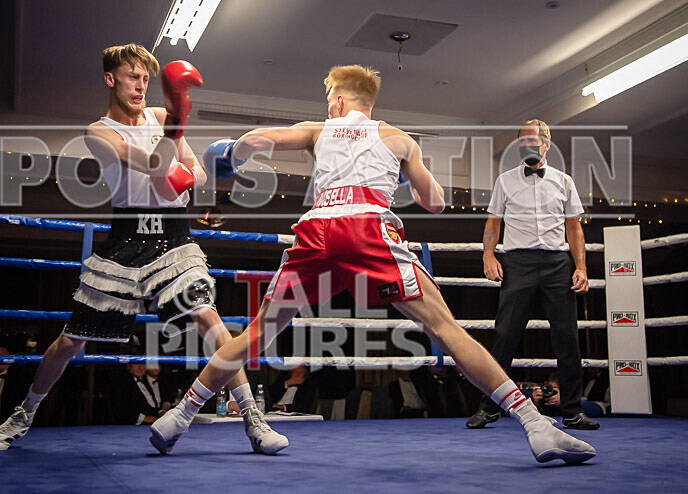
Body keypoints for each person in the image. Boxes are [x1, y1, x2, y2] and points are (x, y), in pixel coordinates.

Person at [151, 65, 596, 464]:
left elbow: (248, 143)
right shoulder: (398, 138)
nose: (328, 107)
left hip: (319, 230)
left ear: (340, 100)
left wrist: (226, 159)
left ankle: (178, 417)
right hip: (369, 230)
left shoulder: (317, 129)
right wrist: (403, 171)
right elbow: (436, 204)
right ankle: (536, 425)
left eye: (329, 100)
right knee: (446, 329)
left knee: (257, 332)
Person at [0, 43, 286, 453]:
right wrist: (177, 126)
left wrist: (179, 144)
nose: (141, 85)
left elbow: (194, 170)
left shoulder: (159, 116)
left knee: (208, 318)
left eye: (146, 78)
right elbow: (152, 166)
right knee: (72, 339)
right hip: (126, 239)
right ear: (110, 78)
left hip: (174, 236)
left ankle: (253, 419)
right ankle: (22, 416)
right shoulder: (100, 132)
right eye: (131, 76)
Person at [466, 119, 599, 431]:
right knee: (505, 337)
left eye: (530, 141)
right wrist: (488, 253)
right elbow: (493, 223)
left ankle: (572, 410)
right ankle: (489, 407)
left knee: (567, 338)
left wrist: (580, 266)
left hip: (557, 263)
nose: (525, 146)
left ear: (546, 143)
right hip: (518, 263)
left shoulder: (564, 181)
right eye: (521, 142)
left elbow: (574, 227)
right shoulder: (505, 181)